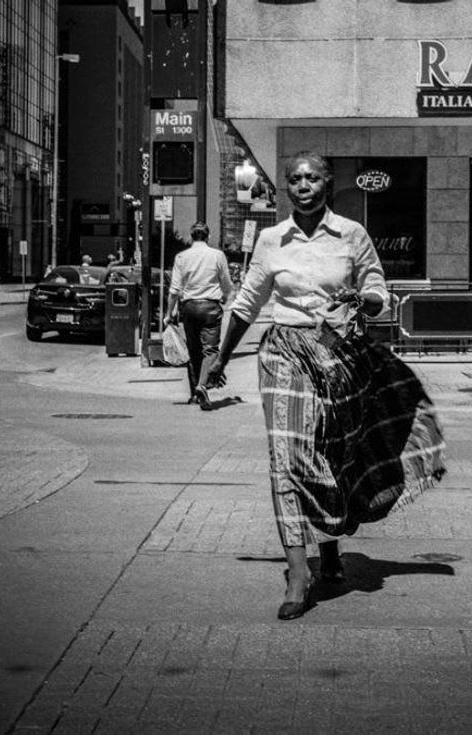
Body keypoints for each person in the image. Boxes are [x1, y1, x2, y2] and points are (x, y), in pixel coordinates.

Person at [204, 151, 446, 620]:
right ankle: (298, 572)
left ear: (327, 184)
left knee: (333, 453)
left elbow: (378, 287)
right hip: (285, 353)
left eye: (311, 177)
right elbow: (249, 300)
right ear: (286, 187)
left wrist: (367, 300)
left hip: (338, 355)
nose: (302, 185)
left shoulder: (351, 234)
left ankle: (330, 545)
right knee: (288, 455)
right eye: (294, 179)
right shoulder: (272, 240)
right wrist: (220, 356)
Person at [165, 221, 234, 409]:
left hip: (188, 307)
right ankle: (202, 386)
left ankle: (194, 393)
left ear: (191, 236)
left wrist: (168, 313)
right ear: (208, 236)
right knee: (210, 350)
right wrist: (227, 298)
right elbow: (227, 284)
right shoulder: (217, 255)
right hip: (211, 307)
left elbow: (174, 289)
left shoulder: (181, 257)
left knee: (194, 351)